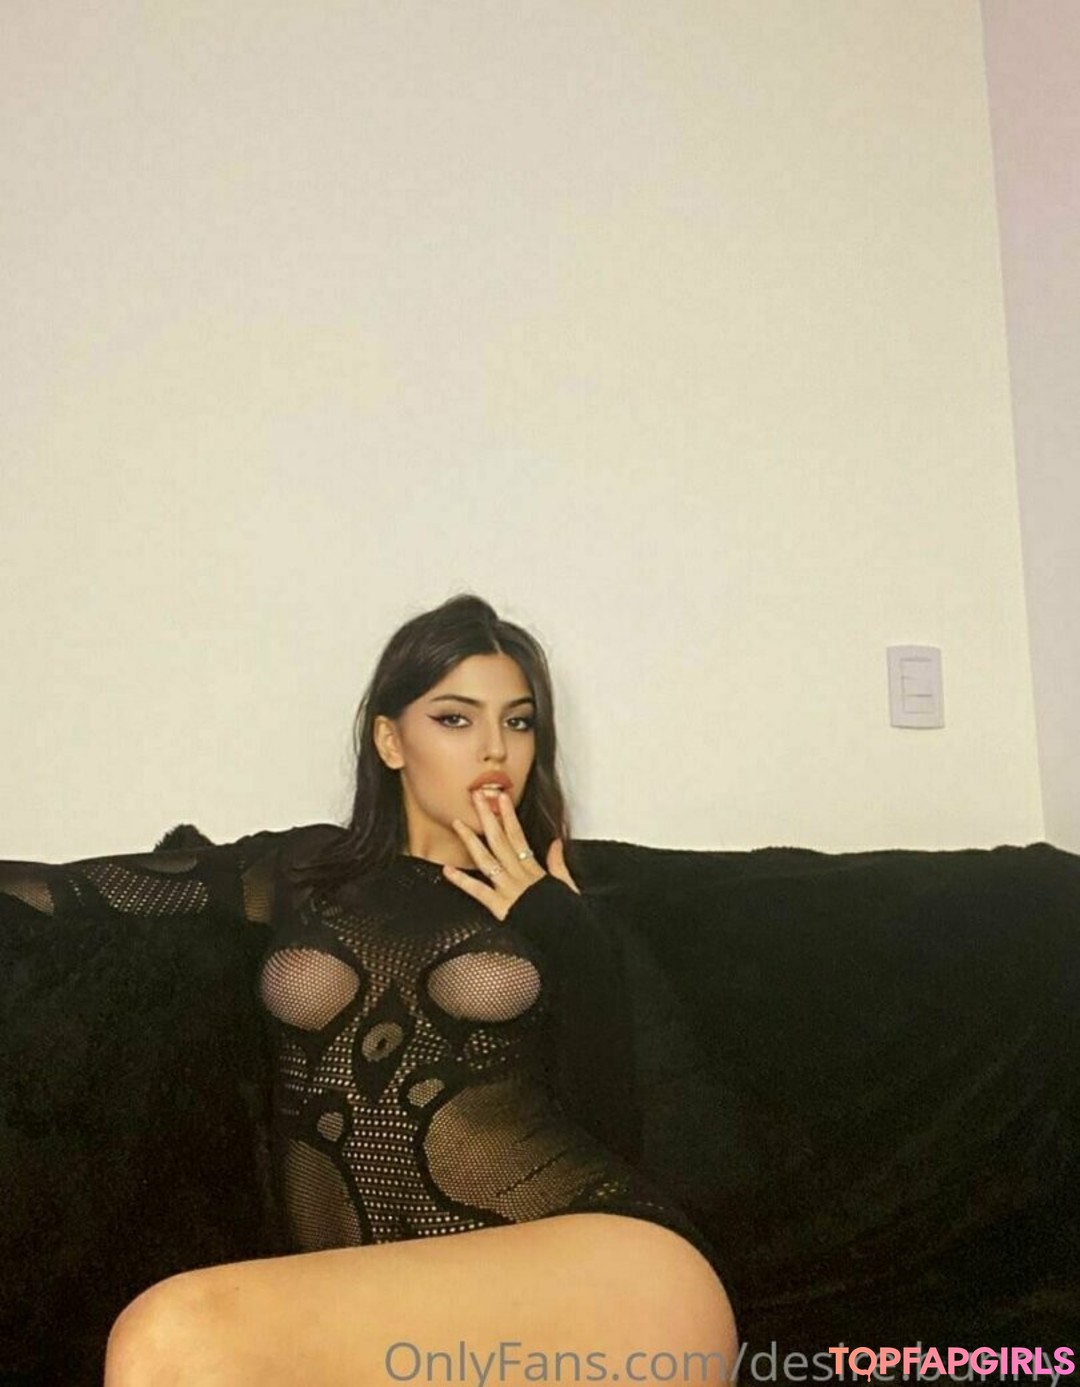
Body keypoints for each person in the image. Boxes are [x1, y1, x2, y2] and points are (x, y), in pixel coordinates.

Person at [10, 593, 739, 1386]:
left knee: (171, 1336)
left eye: (519, 721)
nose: (495, 748)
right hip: (398, 1338)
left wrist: (561, 928)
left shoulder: (561, 900)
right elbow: (78, 892)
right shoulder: (302, 869)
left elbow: (620, 1132)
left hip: (613, 1286)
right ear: (391, 740)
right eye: (456, 718)